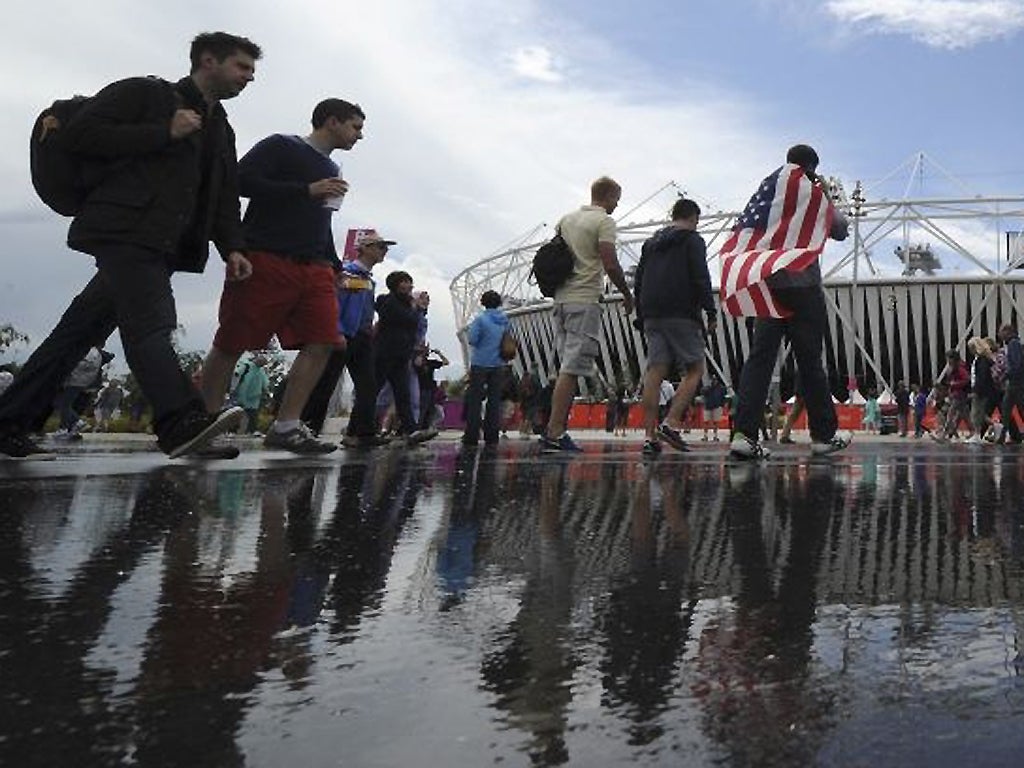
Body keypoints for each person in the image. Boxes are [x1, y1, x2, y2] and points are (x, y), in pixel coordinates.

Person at [0, 32, 261, 460]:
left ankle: (10, 419)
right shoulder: (147, 94)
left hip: (163, 243)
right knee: (150, 325)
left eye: (252, 70)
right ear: (208, 61)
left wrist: (233, 247)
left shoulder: (221, 128)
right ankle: (179, 421)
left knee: (77, 333)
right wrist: (164, 131)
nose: (248, 78)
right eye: (242, 67)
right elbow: (81, 134)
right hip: (123, 228)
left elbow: (223, 194)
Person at [199, 99, 365, 454]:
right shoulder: (282, 145)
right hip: (267, 255)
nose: (359, 135)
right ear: (332, 121)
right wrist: (305, 190)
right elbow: (240, 181)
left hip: (314, 265)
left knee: (326, 340)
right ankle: (204, 421)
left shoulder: (331, 166)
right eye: (355, 126)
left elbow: (322, 220)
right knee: (233, 338)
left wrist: (333, 263)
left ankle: (287, 424)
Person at [726, 145, 852, 460]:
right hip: (803, 286)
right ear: (811, 166)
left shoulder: (768, 191)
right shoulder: (811, 191)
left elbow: (748, 227)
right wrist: (825, 194)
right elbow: (838, 229)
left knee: (760, 360)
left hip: (770, 288)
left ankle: (743, 434)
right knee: (809, 361)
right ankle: (823, 435)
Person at [539, 176, 634, 453]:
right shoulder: (604, 221)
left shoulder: (565, 220)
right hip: (584, 301)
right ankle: (555, 432)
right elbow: (610, 262)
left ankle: (554, 430)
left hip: (560, 301)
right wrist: (627, 295)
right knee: (572, 368)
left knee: (565, 367)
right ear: (607, 196)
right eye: (617, 198)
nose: (617, 205)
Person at [633, 197, 716, 456]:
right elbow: (701, 276)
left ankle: (649, 438)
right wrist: (710, 311)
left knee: (655, 371)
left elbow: (639, 279)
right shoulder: (693, 240)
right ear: (692, 217)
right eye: (697, 220)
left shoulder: (650, 244)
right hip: (681, 313)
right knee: (694, 369)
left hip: (652, 313)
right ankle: (670, 423)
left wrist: (641, 312)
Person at [302, 231, 391, 446]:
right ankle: (308, 429)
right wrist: (337, 330)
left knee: (368, 385)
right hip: (342, 336)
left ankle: (364, 433)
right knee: (327, 383)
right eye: (380, 246)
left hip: (362, 337)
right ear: (365, 248)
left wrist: (369, 328)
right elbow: (335, 304)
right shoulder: (347, 274)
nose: (384, 251)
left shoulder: (369, 280)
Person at [374, 271, 437, 444]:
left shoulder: (411, 307)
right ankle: (360, 429)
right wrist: (414, 307)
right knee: (374, 393)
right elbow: (402, 321)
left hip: (402, 356)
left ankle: (411, 431)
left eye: (410, 282)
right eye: (405, 282)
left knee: (403, 395)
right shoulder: (388, 301)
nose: (410, 285)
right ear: (396, 284)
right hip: (386, 353)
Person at [461, 291, 510, 446]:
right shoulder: (504, 320)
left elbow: (472, 339)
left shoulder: (481, 320)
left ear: (483, 302)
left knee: (475, 400)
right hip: (499, 364)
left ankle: (472, 435)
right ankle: (492, 435)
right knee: (494, 401)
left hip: (480, 363)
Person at [996, 323, 1024, 445]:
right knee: (1006, 408)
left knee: (1010, 408)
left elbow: (1015, 364)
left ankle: (1003, 435)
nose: (999, 334)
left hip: (1016, 382)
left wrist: (1005, 375)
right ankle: (1003, 436)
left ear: (1007, 331)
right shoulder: (1014, 344)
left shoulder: (1013, 344)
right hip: (1016, 382)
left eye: (1001, 332)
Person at [230, 354, 270, 435]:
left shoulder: (261, 370)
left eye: (264, 363)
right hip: (241, 395)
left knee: (253, 415)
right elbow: (236, 374)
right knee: (237, 414)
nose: (262, 364)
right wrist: (232, 388)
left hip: (254, 398)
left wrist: (267, 392)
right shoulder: (246, 366)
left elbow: (265, 383)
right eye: (262, 362)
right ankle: (232, 431)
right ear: (258, 359)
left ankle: (252, 431)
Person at [701, 373, 727, 442]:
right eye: (713, 380)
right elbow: (703, 392)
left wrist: (722, 405)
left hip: (717, 406)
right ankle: (705, 436)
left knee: (716, 422)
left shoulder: (721, 388)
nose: (714, 381)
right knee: (706, 422)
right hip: (708, 406)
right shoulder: (707, 387)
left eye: (715, 380)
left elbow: (723, 397)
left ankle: (715, 436)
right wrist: (709, 387)